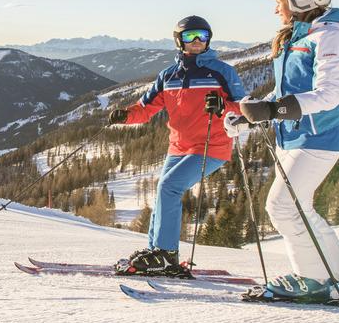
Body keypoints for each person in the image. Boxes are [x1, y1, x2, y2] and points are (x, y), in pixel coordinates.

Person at [228, 0, 339, 303]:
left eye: (280, 1)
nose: (277, 9)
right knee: (299, 207)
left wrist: (275, 111)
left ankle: (313, 280)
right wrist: (251, 114)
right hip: (292, 136)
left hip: (321, 134)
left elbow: (329, 95)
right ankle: (336, 276)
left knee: (282, 207)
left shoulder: (331, 36)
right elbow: (284, 91)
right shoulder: (299, 35)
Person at [106, 15, 249, 276]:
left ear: (209, 40)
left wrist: (223, 107)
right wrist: (125, 115)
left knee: (169, 187)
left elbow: (244, 107)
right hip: (178, 146)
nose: (196, 42)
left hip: (211, 145)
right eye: (189, 36)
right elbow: (146, 109)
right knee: (164, 193)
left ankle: (166, 255)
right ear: (178, 41)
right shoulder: (168, 76)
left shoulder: (221, 72)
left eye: (202, 37)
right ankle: (156, 251)